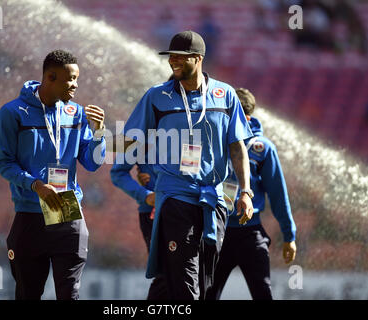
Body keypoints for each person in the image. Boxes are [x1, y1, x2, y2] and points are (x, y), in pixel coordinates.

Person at [120, 30, 254, 300]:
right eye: (171, 58)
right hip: (174, 196)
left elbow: (237, 148)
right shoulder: (157, 96)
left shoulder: (225, 95)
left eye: (179, 58)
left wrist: (245, 191)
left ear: (198, 58)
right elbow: (129, 139)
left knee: (206, 282)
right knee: (184, 280)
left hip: (214, 199)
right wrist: (95, 140)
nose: (172, 62)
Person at [0, 49, 106, 300]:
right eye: (71, 79)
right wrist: (36, 186)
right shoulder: (12, 113)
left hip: (67, 210)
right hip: (30, 212)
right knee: (28, 294)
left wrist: (99, 133)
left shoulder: (76, 113)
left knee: (70, 294)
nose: (76, 85)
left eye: (77, 79)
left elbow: (92, 163)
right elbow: (5, 163)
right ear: (50, 77)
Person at [205, 88, 297, 300]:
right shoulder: (212, 144)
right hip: (217, 231)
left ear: (245, 117)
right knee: (207, 295)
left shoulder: (262, 149)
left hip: (250, 233)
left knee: (263, 294)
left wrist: (289, 235)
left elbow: (278, 194)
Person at [110, 155, 168, 299]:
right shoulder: (140, 132)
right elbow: (117, 173)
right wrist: (145, 195)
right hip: (153, 212)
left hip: (189, 208)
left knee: (187, 272)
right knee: (165, 274)